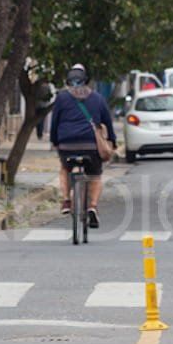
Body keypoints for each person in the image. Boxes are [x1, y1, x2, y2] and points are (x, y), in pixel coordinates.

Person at [50, 64, 116, 228]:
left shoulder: (61, 98)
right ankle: (92, 206)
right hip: (91, 146)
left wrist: (55, 142)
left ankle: (66, 201)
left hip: (67, 145)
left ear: (68, 81)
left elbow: (54, 123)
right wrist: (112, 142)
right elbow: (108, 123)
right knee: (95, 175)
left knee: (65, 168)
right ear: (86, 80)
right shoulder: (98, 98)